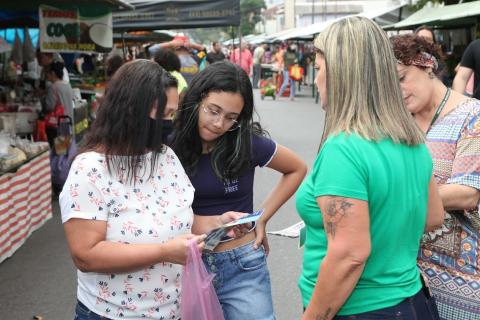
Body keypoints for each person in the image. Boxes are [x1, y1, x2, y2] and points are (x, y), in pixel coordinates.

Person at [59, 60, 244, 320]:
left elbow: (179, 224)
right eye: (165, 115)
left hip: (174, 310)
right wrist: (164, 252)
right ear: (133, 111)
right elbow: (86, 255)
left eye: (173, 113)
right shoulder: (90, 169)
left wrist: (219, 223)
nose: (171, 123)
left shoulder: (165, 157)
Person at [296, 17, 444, 320]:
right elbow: (433, 217)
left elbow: (349, 255)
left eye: (318, 68)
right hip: (411, 300)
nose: (315, 79)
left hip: (360, 308)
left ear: (340, 72)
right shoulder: (412, 140)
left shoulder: (344, 149)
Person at [170, 60, 307, 320]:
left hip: (242, 261)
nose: (219, 123)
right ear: (197, 100)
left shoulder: (246, 143)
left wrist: (262, 217)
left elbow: (297, 168)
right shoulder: (169, 146)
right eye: (213, 111)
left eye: (231, 117)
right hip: (185, 263)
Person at [392, 34, 480, 320]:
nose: (398, 90)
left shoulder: (472, 115)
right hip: (407, 277)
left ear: (428, 66)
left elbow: (468, 191)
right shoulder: (399, 124)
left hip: (462, 280)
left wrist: (388, 198)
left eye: (402, 77)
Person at [42, 61, 74, 148]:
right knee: (65, 150)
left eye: (47, 73)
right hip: (68, 122)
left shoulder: (53, 87)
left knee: (58, 151)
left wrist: (43, 99)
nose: (46, 75)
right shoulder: (67, 85)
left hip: (57, 124)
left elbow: (49, 106)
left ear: (53, 73)